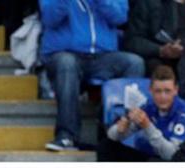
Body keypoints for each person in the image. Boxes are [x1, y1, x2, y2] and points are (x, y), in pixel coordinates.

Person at [40, 0, 143, 151]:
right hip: (65, 53)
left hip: (102, 55)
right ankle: (66, 135)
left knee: (134, 63)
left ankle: (121, 133)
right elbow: (49, 19)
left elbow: (120, 17)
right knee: (66, 63)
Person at [106, 65, 185, 160]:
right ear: (150, 90)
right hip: (145, 156)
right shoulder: (148, 105)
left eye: (167, 91)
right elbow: (112, 136)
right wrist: (119, 130)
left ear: (176, 90)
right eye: (158, 91)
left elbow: (173, 155)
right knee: (106, 145)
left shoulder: (184, 112)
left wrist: (147, 126)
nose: (163, 97)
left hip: (167, 162)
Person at [122, 0, 185, 76]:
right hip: (161, 59)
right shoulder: (148, 2)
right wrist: (160, 50)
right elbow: (132, 41)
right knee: (157, 68)